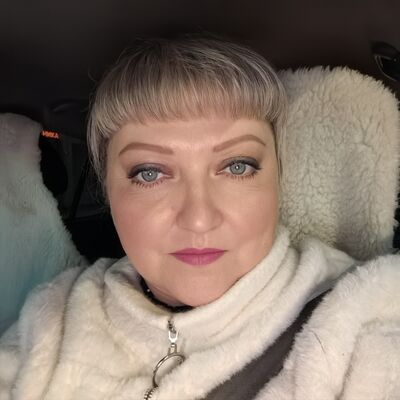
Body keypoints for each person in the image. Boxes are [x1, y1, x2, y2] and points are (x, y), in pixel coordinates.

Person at [1, 36, 400, 400]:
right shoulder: (55, 315)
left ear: (278, 179)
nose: (198, 219)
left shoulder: (356, 314)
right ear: (108, 191)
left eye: (238, 166)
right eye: (150, 173)